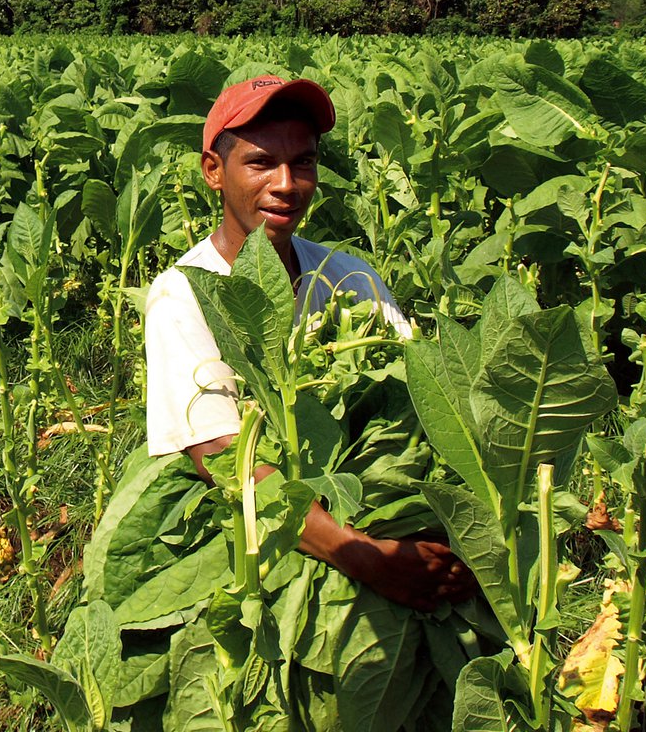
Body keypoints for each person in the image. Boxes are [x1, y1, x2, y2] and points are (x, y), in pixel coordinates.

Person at [143, 74, 476, 611]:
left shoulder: (348, 277)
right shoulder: (184, 294)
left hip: (374, 506)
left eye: (303, 162)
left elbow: (422, 395)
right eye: (259, 163)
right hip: (263, 530)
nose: (286, 183)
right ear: (213, 171)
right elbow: (222, 455)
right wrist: (365, 556)